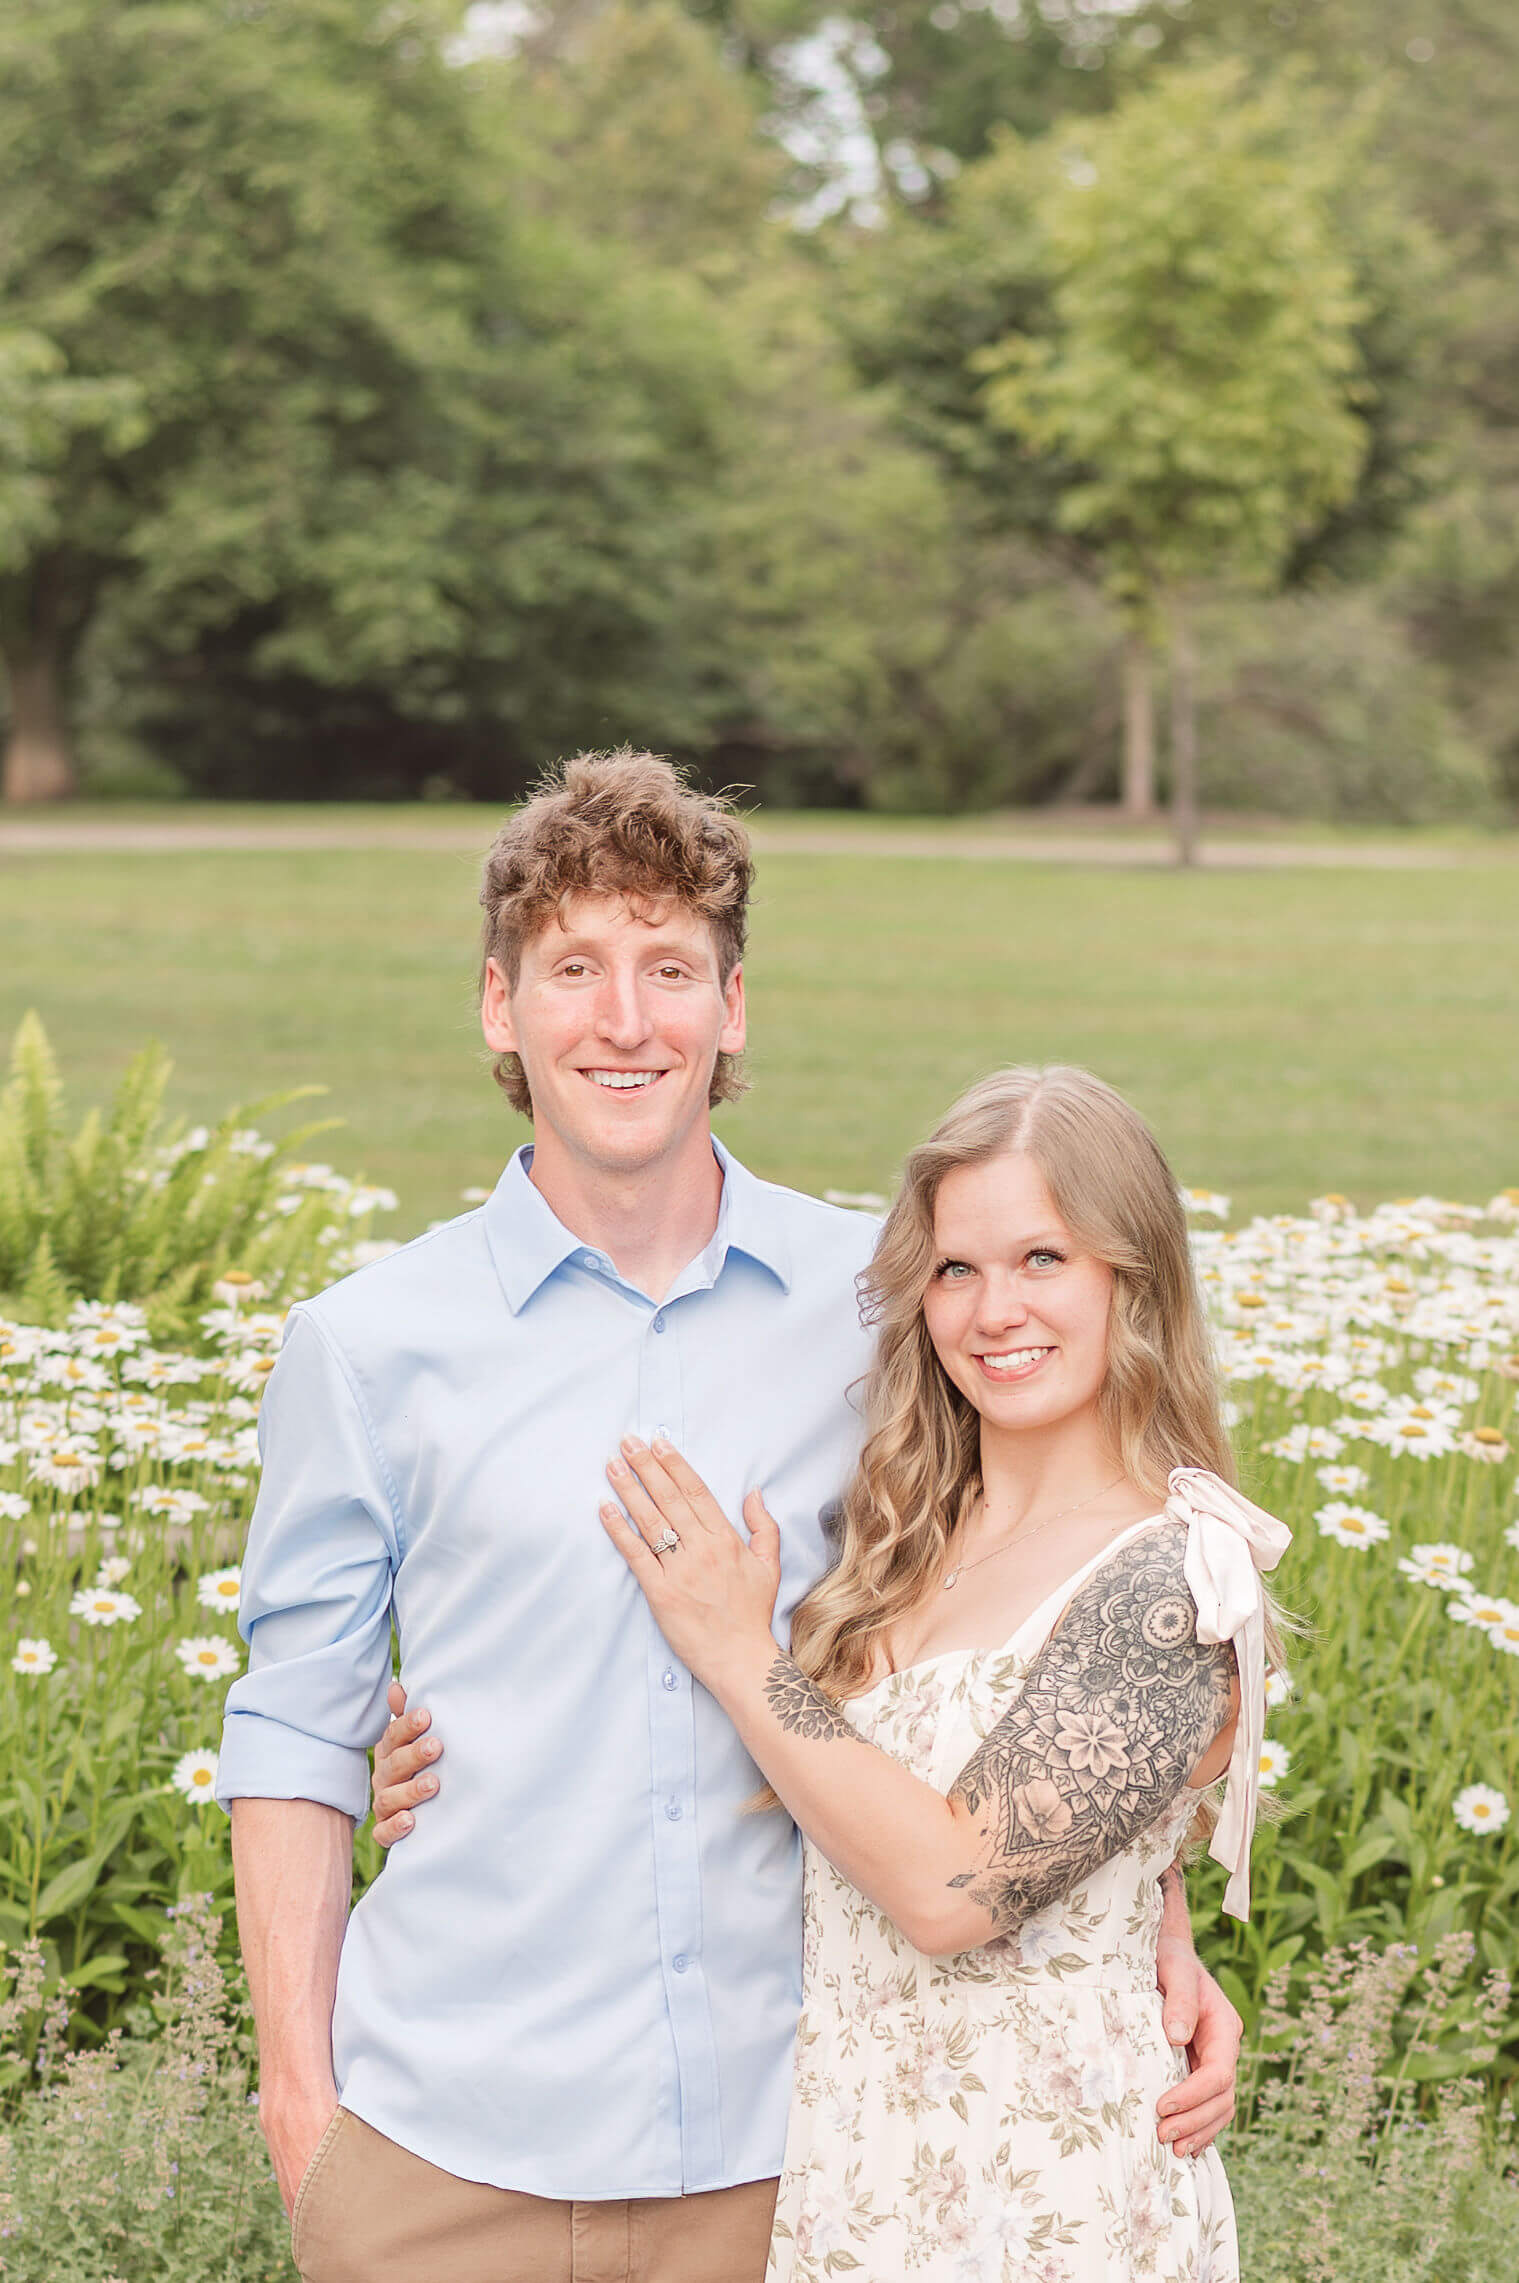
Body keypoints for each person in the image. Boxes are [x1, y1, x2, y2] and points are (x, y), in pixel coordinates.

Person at [218, 752, 1240, 2283]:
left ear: (732, 1009)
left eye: (670, 970)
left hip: (796, 2160)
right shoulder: (368, 1348)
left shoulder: (884, 1313)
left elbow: (1027, 1611)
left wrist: (1140, 1907)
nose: (624, 1021)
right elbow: (296, 1734)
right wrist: (303, 2109)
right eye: (575, 969)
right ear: (503, 1007)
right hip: (442, 2143)